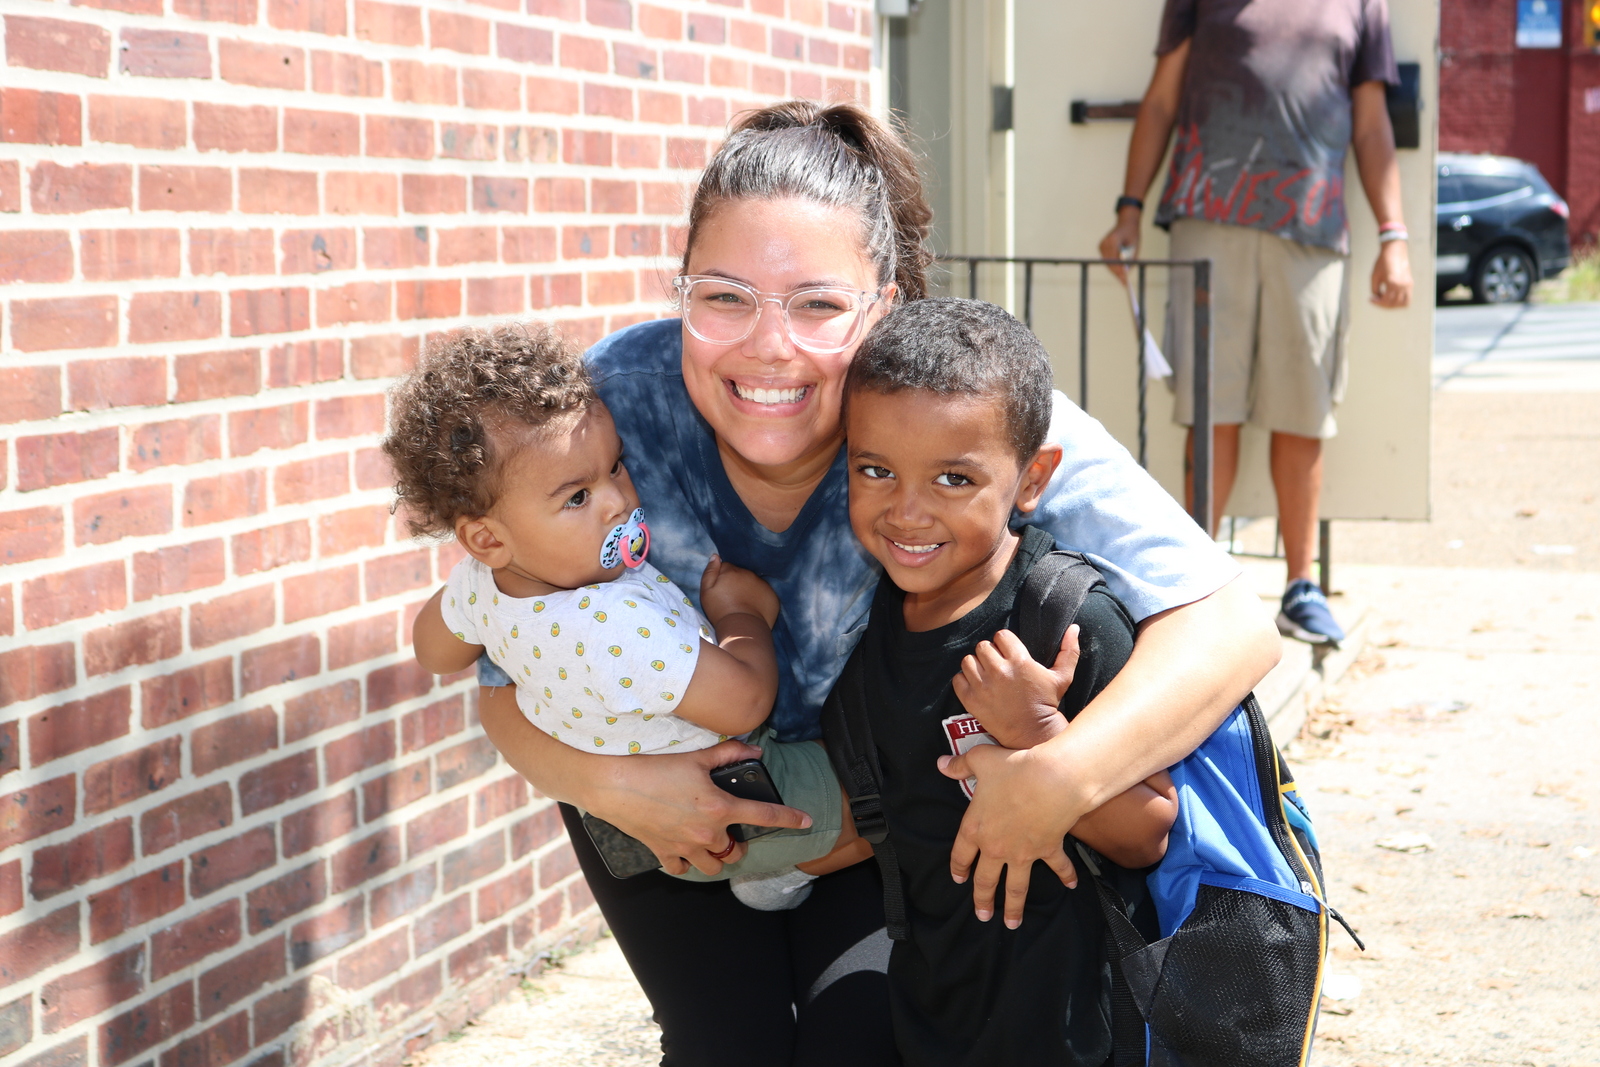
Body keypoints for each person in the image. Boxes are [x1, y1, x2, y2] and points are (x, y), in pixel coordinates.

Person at [469, 100, 1280, 1066]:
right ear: (680, 290)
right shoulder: (603, 410)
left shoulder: (948, 409)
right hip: (665, 802)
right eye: (724, 296)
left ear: (884, 307)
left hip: (875, 803)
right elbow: (498, 666)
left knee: (867, 1034)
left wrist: (1053, 778)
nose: (770, 345)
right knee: (728, 1044)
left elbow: (1230, 623)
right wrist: (613, 785)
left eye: (817, 303)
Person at [386, 327, 866, 912]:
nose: (618, 500)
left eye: (614, 467)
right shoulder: (611, 624)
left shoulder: (478, 582)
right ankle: (780, 869)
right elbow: (745, 703)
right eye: (576, 498)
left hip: (630, 812)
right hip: (720, 789)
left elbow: (434, 653)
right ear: (486, 536)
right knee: (877, 810)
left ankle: (769, 868)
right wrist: (740, 614)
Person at [838, 298, 1178, 1065]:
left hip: (1077, 1031)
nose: (908, 510)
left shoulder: (1062, 624)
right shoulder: (863, 636)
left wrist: (1040, 739)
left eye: (955, 478)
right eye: (874, 470)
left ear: (1032, 480)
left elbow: (1150, 830)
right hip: (935, 1023)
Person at [1100, 0, 1414, 645]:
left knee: (1303, 414)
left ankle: (1301, 589)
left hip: (1313, 231)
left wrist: (1395, 235)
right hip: (1207, 219)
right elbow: (1160, 100)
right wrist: (1128, 207)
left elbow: (1372, 122)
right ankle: (1193, 589)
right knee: (1210, 412)